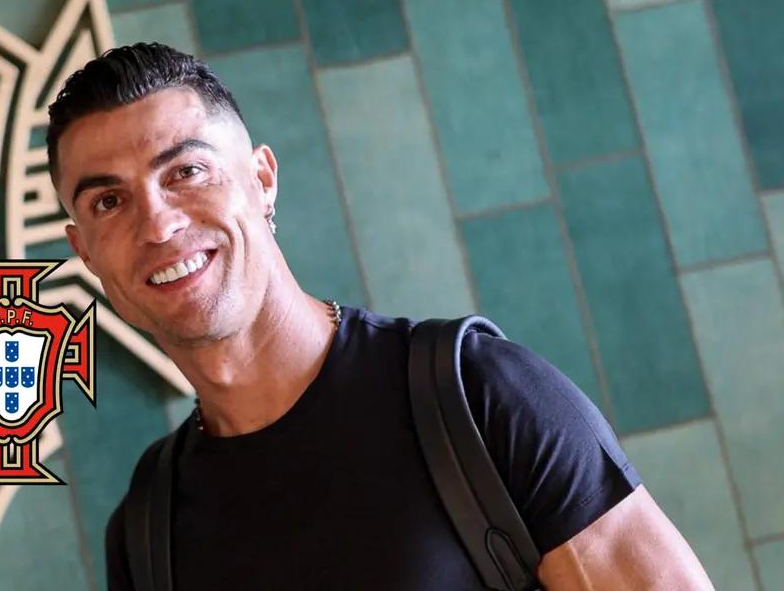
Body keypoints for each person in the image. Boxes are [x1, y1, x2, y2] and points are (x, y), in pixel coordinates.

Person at [46, 42, 712, 590]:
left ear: (263, 180)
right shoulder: (147, 537)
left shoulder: (474, 399)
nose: (158, 223)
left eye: (186, 171)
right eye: (108, 202)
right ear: (85, 252)